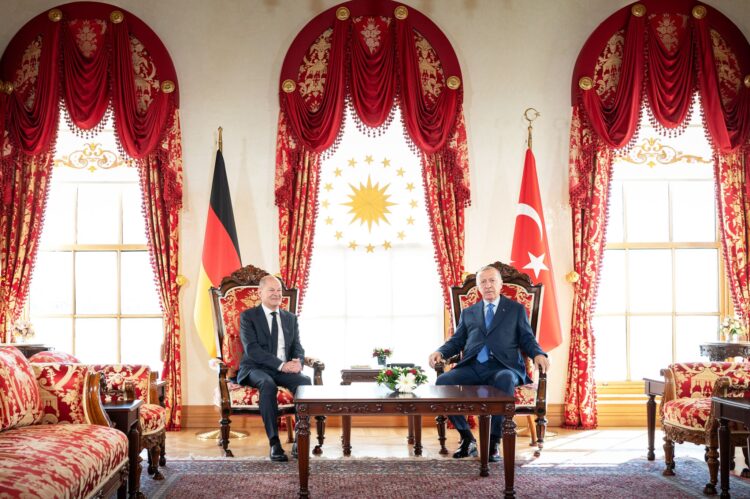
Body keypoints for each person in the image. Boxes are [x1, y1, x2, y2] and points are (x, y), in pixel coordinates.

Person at [428, 265, 550, 462]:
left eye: (492, 280)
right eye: (483, 282)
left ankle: (494, 442)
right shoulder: (469, 312)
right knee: (442, 382)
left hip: (503, 366)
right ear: (478, 287)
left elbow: (527, 339)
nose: (488, 285)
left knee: (506, 379)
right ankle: (468, 439)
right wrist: (440, 351)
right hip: (473, 366)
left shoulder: (515, 310)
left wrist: (538, 354)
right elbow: (457, 341)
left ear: (501, 284)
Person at [237, 274, 311, 462]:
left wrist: (298, 361)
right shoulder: (248, 317)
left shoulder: (290, 318)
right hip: (256, 368)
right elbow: (252, 350)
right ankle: (274, 443)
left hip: (284, 369)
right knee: (267, 384)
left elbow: (297, 346)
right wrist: (281, 365)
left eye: (279, 290)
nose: (276, 294)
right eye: (271, 290)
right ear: (260, 292)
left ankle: (299, 439)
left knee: (305, 382)